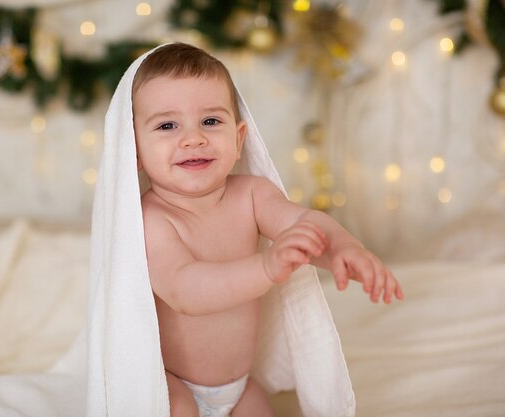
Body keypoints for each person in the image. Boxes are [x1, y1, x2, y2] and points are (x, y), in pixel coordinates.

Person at [131, 42, 404, 417]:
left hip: (239, 386)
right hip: (170, 382)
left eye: (211, 121)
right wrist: (265, 268)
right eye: (167, 125)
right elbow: (184, 289)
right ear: (136, 153)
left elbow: (302, 224)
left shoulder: (253, 195)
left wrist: (344, 248)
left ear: (239, 139)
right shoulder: (151, 218)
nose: (193, 138)